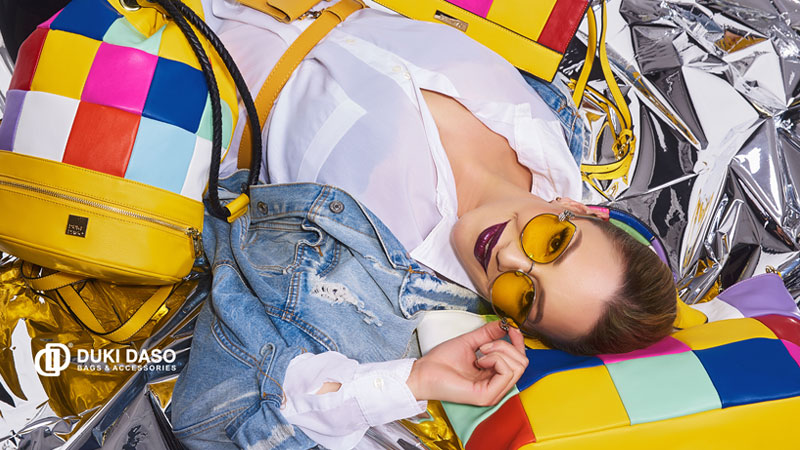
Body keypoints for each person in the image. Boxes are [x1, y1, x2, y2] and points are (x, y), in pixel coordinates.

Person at [170, 1, 677, 449]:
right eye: (553, 242)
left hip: (169, 53)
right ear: (580, 209)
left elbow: (211, 417)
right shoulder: (552, 122)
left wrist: (411, 381)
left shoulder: (382, 295)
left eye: (525, 296)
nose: (509, 258)